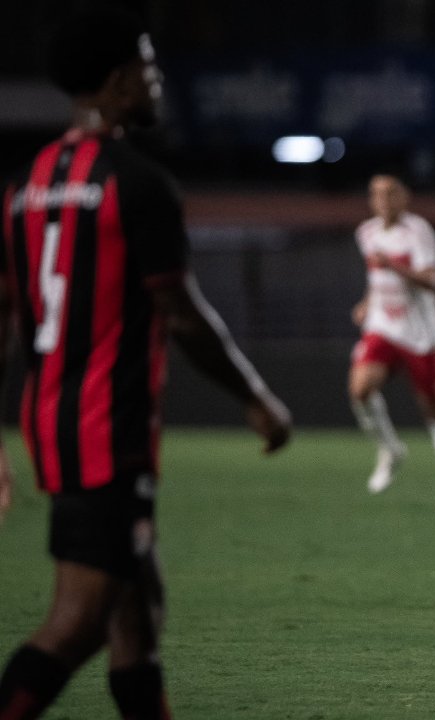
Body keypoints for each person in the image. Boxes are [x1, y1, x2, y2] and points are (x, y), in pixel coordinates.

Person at [0, 9, 292, 719]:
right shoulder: (138, 183)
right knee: (79, 621)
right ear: (116, 81)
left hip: (53, 421)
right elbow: (183, 313)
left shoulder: (24, 188)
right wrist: (255, 397)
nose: (159, 79)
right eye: (149, 67)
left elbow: (5, 320)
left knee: (139, 618)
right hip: (108, 426)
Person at [349, 174, 435, 514]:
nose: (382, 200)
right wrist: (367, 302)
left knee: (434, 408)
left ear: (404, 197)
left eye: (390, 193)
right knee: (360, 390)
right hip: (383, 325)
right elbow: (376, 278)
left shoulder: (418, 232)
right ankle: (390, 449)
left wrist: (395, 267)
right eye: (376, 194)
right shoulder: (366, 233)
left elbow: (433, 282)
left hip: (420, 332)